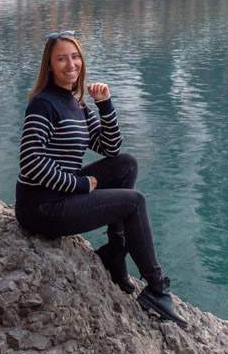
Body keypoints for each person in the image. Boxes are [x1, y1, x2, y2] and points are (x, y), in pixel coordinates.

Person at [14, 30, 184, 326]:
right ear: (50, 66)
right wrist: (79, 184)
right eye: (62, 59)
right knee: (134, 202)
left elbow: (110, 147)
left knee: (126, 165)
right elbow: (30, 163)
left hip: (61, 195)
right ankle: (157, 287)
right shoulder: (43, 105)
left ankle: (116, 253)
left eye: (75, 56)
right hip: (41, 208)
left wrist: (105, 106)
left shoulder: (76, 103)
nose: (71, 64)